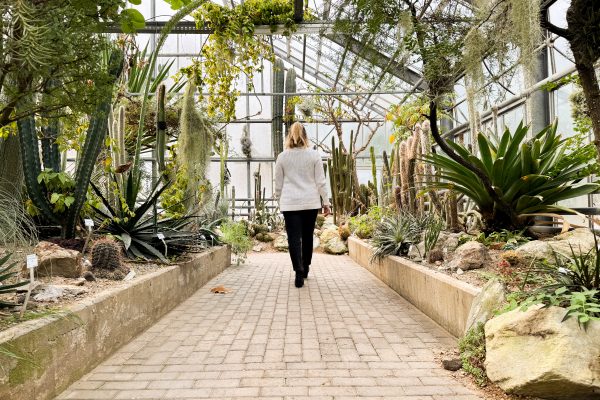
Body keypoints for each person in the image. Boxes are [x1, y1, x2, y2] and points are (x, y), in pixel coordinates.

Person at [274, 122, 331, 288]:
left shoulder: (282, 157)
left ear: (289, 136)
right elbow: (320, 182)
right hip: (310, 202)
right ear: (305, 136)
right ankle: (305, 267)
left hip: (290, 204)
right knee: (307, 236)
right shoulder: (314, 155)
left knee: (293, 239)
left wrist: (280, 201)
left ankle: (298, 271)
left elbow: (278, 184)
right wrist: (326, 202)